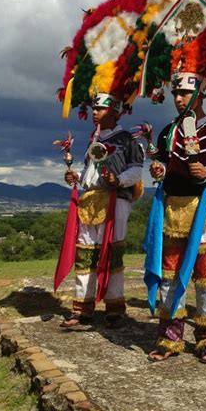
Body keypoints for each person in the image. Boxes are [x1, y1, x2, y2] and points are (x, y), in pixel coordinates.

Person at [147, 72, 206, 364]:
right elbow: (164, 162)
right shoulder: (168, 131)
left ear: (200, 94)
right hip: (171, 209)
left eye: (185, 94)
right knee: (169, 275)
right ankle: (170, 336)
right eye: (175, 94)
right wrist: (158, 171)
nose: (178, 99)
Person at [62, 92, 144, 328]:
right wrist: (75, 176)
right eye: (93, 109)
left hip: (115, 199)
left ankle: (114, 308)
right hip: (91, 199)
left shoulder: (127, 138)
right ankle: (82, 307)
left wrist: (117, 180)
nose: (94, 113)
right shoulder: (92, 139)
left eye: (100, 109)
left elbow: (137, 171)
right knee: (86, 254)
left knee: (112, 252)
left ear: (115, 112)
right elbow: (90, 174)